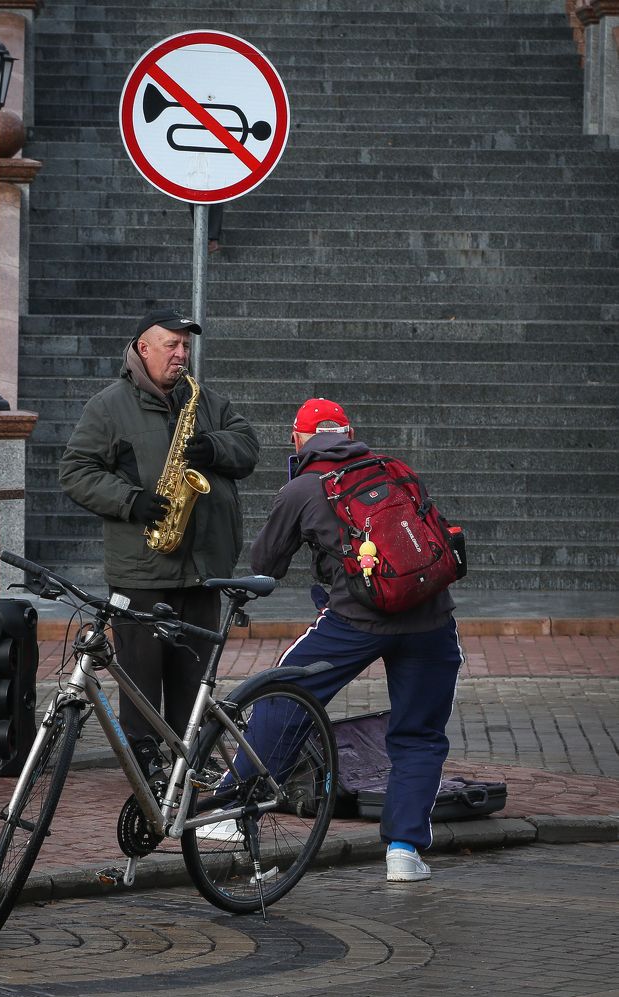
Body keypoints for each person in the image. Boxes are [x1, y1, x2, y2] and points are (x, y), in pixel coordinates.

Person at [249, 398, 463, 883]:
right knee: (420, 735)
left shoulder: (303, 488)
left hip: (353, 621)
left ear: (297, 439)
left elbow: (265, 564)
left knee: (282, 696)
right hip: (431, 617)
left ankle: (233, 808)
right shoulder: (396, 469)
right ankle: (404, 852)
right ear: (349, 433)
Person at [59, 306, 259, 779]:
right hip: (143, 569)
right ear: (142, 349)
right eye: (172, 345)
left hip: (202, 568)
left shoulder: (202, 399)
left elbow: (248, 445)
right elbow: (75, 471)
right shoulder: (108, 406)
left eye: (185, 346)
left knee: (194, 678)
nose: (181, 354)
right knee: (141, 679)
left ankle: (192, 757)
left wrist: (212, 447)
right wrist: (130, 500)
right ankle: (145, 762)